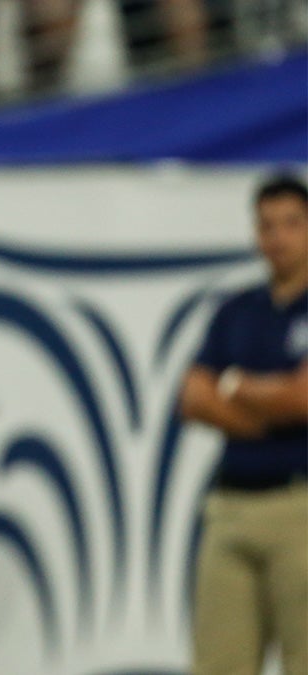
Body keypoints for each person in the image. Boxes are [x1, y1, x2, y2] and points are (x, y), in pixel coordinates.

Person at [179, 174, 308, 675]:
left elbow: (303, 398)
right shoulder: (237, 310)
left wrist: (237, 388)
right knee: (218, 662)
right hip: (231, 506)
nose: (278, 237)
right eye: (267, 225)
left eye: (292, 224)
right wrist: (271, 407)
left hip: (298, 506)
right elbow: (191, 396)